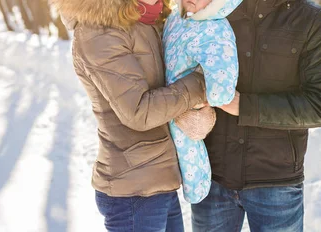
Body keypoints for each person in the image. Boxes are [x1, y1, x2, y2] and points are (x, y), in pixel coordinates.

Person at [54, 0, 209, 231]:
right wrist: (200, 84)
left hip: (160, 180)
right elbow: (138, 111)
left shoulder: (149, 20)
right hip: (133, 192)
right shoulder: (99, 31)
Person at [191, 0, 321, 231]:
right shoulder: (215, 10)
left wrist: (246, 106)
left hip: (276, 184)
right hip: (212, 179)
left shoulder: (312, 19)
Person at [162, 0, 242, 203]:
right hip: (164, 100)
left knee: (188, 143)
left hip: (187, 107)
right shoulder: (176, 17)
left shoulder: (214, 28)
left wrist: (208, 94)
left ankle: (196, 189)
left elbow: (223, 84)